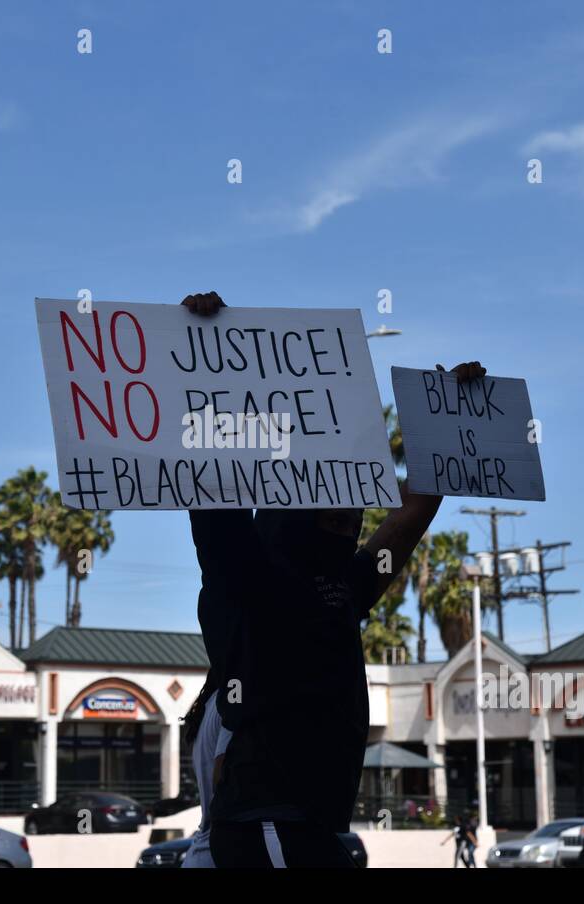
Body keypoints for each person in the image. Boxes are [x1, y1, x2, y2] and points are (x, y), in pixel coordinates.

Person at [180, 290, 485, 868]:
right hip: (267, 824)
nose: (353, 508)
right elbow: (213, 492)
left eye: (356, 494)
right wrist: (201, 347)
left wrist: (445, 417)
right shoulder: (248, 578)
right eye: (332, 492)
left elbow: (415, 510)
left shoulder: (342, 588)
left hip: (311, 824)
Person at [180, 672, 232, 868]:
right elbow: (221, 777)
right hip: (218, 853)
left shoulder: (212, 701)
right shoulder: (232, 704)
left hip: (201, 852)